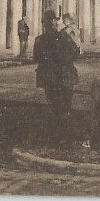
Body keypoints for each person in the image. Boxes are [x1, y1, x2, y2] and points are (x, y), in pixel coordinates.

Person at [32, 10, 80, 146]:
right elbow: (75, 54)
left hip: (50, 78)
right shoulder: (64, 37)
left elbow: (37, 58)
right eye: (54, 20)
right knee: (66, 107)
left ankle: (57, 137)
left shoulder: (39, 40)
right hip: (66, 77)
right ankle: (67, 137)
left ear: (44, 24)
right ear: (54, 23)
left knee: (54, 107)